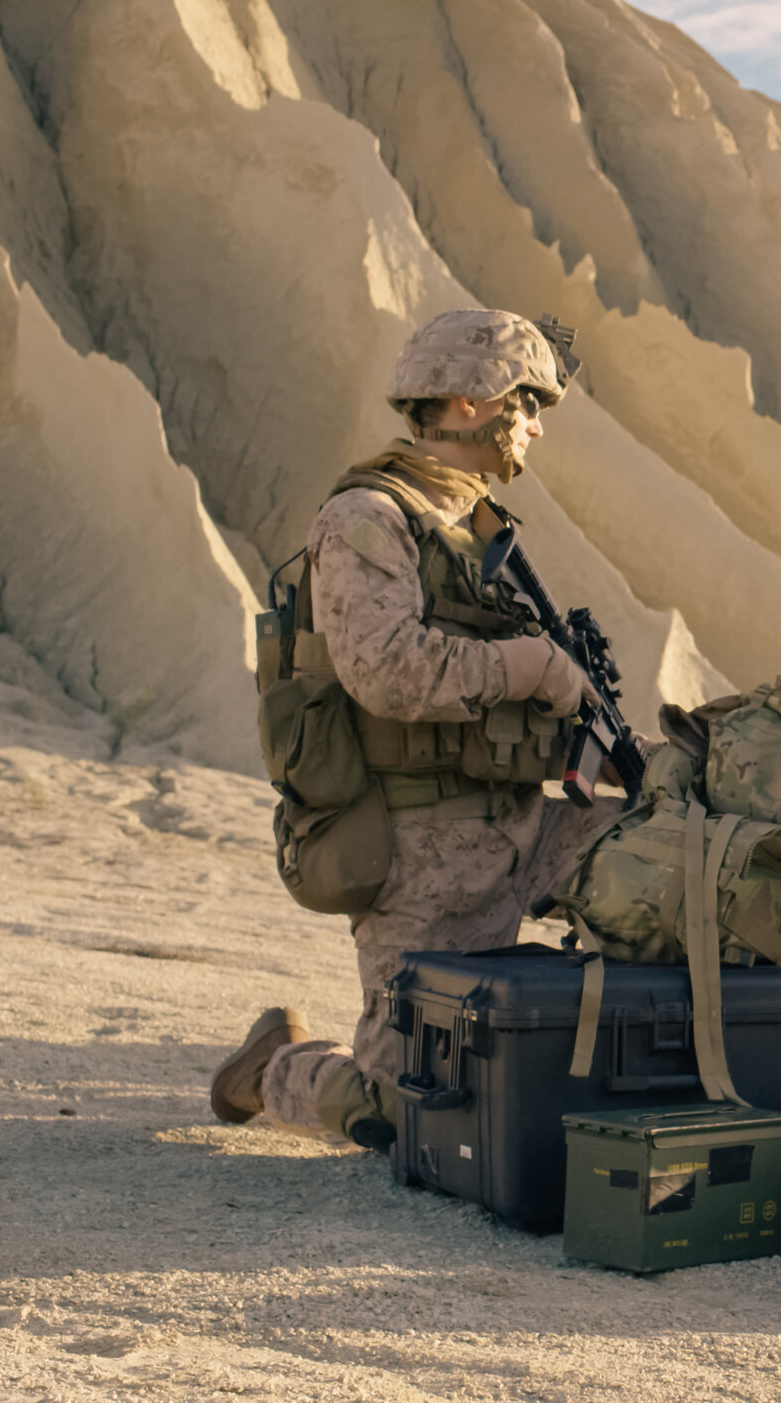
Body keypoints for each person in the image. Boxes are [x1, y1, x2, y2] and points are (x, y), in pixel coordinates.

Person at [209, 310, 617, 1148]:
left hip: (523, 824)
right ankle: (275, 1067)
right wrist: (535, 668)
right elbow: (386, 668)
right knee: (402, 1113)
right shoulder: (369, 516)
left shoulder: (476, 528)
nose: (535, 425)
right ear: (468, 402)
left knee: (672, 869)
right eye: (526, 401)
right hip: (423, 850)